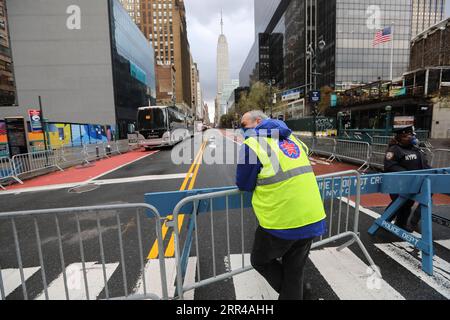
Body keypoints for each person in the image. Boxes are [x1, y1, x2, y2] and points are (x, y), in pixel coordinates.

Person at [236, 110, 327, 300]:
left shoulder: (253, 145)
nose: (240, 130)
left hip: (281, 220)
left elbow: (244, 184)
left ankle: (301, 295)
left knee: (260, 260)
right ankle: (302, 295)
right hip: (312, 216)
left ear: (258, 121)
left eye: (243, 126)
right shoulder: (293, 138)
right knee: (294, 270)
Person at [384, 125, 432, 232]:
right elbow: (390, 166)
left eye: (411, 135)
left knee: (408, 204)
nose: (410, 138)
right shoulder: (394, 149)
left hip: (415, 183)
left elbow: (424, 164)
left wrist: (431, 171)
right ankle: (385, 220)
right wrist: (409, 174)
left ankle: (401, 224)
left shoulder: (416, 150)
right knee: (399, 203)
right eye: (407, 136)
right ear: (400, 137)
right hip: (399, 184)